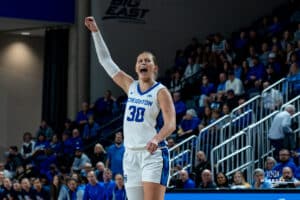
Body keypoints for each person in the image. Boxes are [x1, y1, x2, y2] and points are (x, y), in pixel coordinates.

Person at [85, 16, 176, 200]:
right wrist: (95, 32)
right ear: (136, 67)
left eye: (147, 61)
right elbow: (105, 61)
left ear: (155, 68)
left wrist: (157, 139)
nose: (143, 63)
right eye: (140, 60)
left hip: (152, 154)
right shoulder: (130, 86)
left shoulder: (161, 91)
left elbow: (171, 124)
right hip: (131, 154)